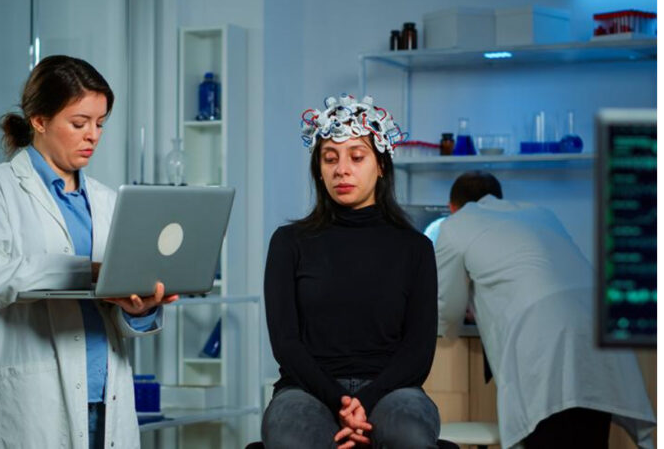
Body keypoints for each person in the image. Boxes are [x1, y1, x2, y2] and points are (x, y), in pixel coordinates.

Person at [0, 55, 179, 449]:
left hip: (107, 397)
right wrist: (84, 271)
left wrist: (138, 310)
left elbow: (111, 310)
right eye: (79, 123)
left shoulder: (107, 201)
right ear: (39, 121)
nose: (93, 135)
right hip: (37, 402)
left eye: (100, 123)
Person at [261, 94, 440, 449]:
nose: (342, 169)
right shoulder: (288, 242)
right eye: (330, 158)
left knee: (410, 436)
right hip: (306, 389)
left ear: (381, 165)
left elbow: (418, 351)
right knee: (290, 440)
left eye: (357, 157)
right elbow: (286, 344)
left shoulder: (416, 248)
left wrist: (366, 401)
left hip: (393, 390)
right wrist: (340, 401)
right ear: (319, 169)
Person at [435, 171, 656, 449]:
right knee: (589, 429)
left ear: (452, 207)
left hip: (543, 334)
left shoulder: (456, 224)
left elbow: (444, 305)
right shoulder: (540, 213)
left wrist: (448, 328)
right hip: (597, 321)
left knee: (549, 429)